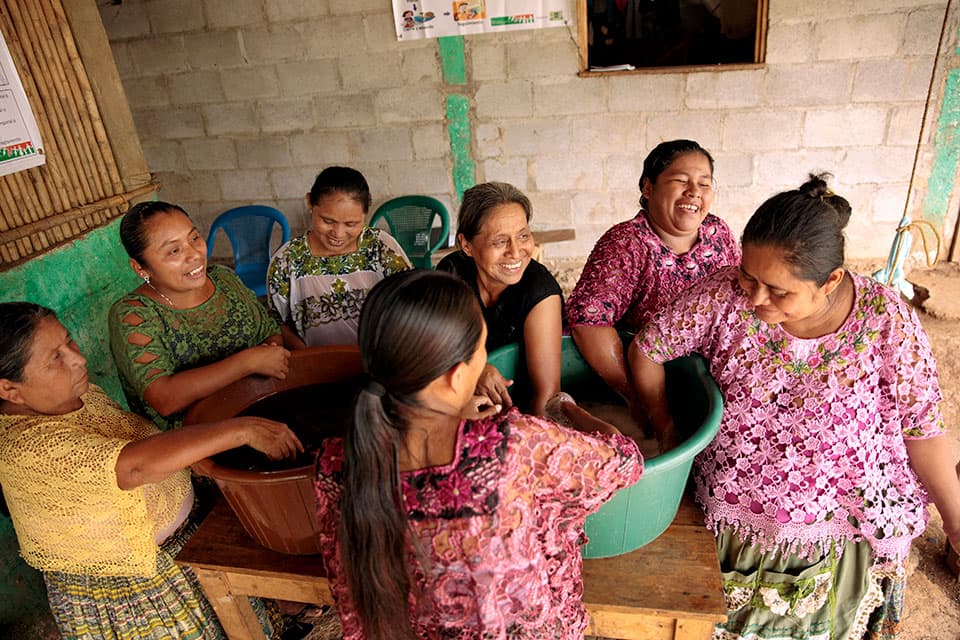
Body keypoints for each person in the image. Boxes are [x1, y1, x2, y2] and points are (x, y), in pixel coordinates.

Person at [628, 175, 960, 639]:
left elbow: (923, 430)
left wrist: (955, 517)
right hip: (736, 511)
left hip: (839, 521)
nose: (756, 297)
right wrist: (665, 426)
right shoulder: (724, 295)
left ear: (832, 281)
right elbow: (649, 348)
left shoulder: (886, 321)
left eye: (779, 291)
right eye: (749, 276)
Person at [313, 270, 643, 640]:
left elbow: (347, 586)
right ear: (456, 376)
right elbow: (624, 462)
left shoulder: (336, 462)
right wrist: (572, 412)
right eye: (482, 350)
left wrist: (454, 414)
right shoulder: (514, 445)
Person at [0, 302, 303, 639]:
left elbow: (141, 448)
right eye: (55, 358)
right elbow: (134, 466)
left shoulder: (80, 398)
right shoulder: (22, 447)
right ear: (8, 390)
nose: (79, 358)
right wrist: (241, 430)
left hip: (182, 550)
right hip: (133, 590)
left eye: (69, 341)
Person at [566, 139, 740, 410]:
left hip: (704, 374)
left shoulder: (718, 233)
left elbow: (738, 299)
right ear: (648, 187)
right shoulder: (627, 242)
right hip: (639, 373)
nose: (694, 191)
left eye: (704, 183)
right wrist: (636, 397)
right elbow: (589, 321)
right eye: (681, 180)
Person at [109, 201, 289, 432]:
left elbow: (269, 332)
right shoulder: (134, 315)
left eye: (194, 238)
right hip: (197, 441)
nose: (194, 254)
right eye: (174, 250)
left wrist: (265, 365)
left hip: (259, 411)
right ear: (141, 268)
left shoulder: (225, 280)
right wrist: (248, 363)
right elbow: (164, 398)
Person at [437, 181, 563, 415]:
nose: (516, 252)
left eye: (523, 236)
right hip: (463, 403)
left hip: (522, 413)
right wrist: (475, 369)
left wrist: (526, 439)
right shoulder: (451, 275)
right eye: (500, 241)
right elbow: (433, 349)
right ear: (466, 244)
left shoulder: (540, 291)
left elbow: (546, 397)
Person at [267, 166, 411, 349]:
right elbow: (277, 323)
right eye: (328, 221)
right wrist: (310, 358)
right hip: (319, 368)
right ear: (310, 202)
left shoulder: (381, 247)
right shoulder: (286, 260)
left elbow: (411, 304)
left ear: (365, 214)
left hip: (381, 364)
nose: (338, 234)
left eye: (351, 224)